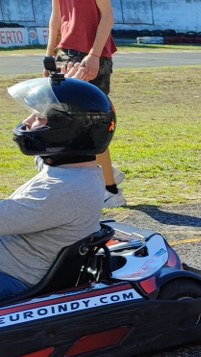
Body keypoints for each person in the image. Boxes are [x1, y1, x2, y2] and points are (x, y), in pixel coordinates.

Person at [1, 75, 114, 303]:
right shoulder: (76, 171)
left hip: (14, 277)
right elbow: (43, 161)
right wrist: (68, 90)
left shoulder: (60, 191)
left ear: (64, 130)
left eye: (39, 117)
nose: (27, 122)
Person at [46, 0, 122, 209]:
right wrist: (49, 55)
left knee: (90, 124)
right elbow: (56, 17)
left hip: (90, 55)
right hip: (66, 53)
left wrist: (94, 55)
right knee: (63, 122)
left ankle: (111, 189)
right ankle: (107, 173)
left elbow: (107, 16)